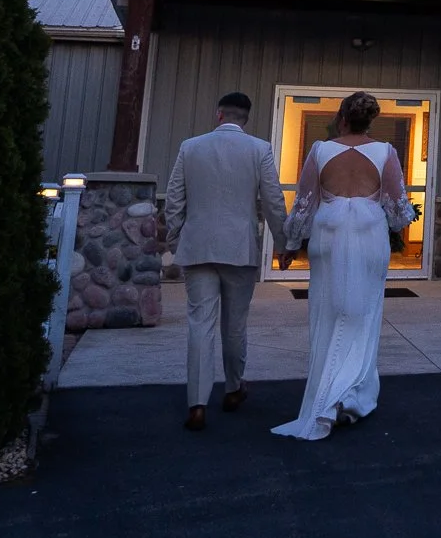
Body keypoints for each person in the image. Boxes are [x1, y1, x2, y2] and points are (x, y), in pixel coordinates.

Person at [272, 90, 417, 440]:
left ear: (341, 118)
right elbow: (398, 212)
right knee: (364, 314)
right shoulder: (385, 152)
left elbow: (305, 203)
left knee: (328, 312)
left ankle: (331, 392)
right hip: (368, 236)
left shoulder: (321, 151)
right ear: (371, 121)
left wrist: (291, 244)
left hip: (329, 235)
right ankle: (350, 398)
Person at [164, 91, 290, 432]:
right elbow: (273, 199)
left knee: (199, 323)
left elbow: (175, 197)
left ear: (219, 114)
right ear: (245, 119)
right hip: (239, 249)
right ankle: (234, 388)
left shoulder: (190, 147)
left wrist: (176, 238)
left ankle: (197, 404)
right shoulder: (259, 149)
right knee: (235, 324)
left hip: (199, 246)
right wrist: (283, 243)